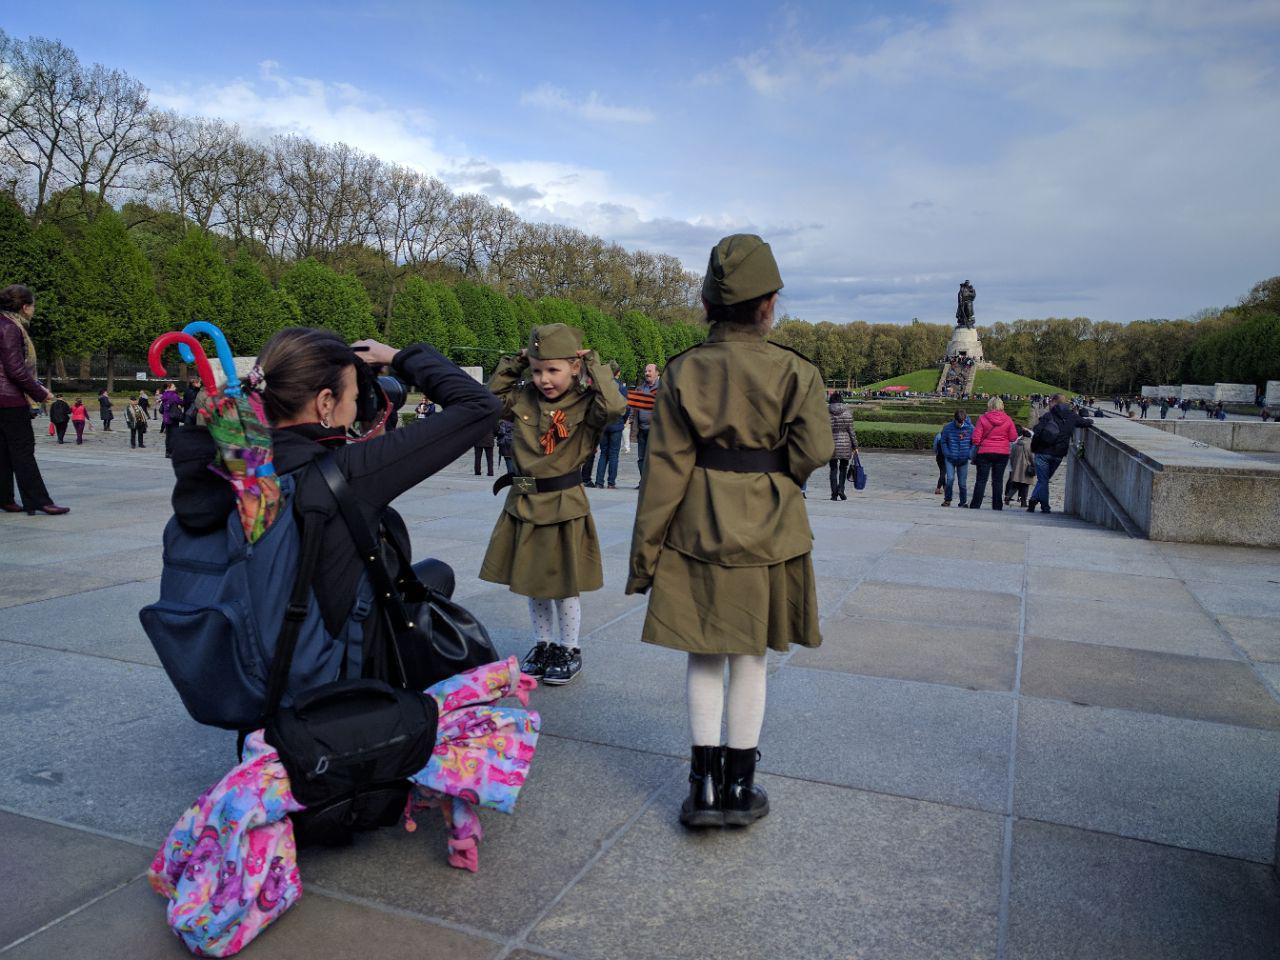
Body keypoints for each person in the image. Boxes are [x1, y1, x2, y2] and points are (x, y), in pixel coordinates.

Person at [627, 234, 832, 830]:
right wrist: (770, 476)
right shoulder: (798, 370)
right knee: (750, 656)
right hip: (771, 527)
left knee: (704, 653)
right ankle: (740, 787)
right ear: (769, 304)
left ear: (707, 304)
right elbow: (815, 449)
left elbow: (662, 471)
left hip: (696, 524)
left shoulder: (682, 370)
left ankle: (701, 789)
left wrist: (645, 557)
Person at [170, 327, 499, 691]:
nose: (358, 409)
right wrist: (395, 355)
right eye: (356, 397)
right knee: (436, 580)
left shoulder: (236, 462)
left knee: (433, 574)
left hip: (253, 653)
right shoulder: (346, 473)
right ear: (325, 402)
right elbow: (480, 406)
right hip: (336, 668)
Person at [480, 324, 626, 687]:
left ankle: (569, 648)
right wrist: (515, 364)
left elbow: (615, 407)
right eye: (538, 369)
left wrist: (592, 362)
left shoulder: (586, 403)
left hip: (564, 504)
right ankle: (543, 644)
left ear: (573, 368)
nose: (545, 379)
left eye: (553, 370)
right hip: (524, 500)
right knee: (532, 581)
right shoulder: (524, 398)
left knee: (564, 584)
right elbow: (487, 400)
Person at [0, 284, 69, 515]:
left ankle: (5, 498)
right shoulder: (11, 328)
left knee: (3, 451)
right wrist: (41, 392)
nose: (34, 310)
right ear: (24, 307)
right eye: (33, 306)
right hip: (9, 399)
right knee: (23, 451)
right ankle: (39, 500)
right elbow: (15, 370)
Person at [1028, 394, 1093, 514]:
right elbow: (1086, 423)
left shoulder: (1048, 415)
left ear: (1053, 402)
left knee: (1043, 480)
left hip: (1043, 452)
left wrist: (1036, 445)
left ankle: (1038, 502)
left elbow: (1036, 431)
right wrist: (1089, 420)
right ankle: (1039, 504)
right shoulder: (1072, 416)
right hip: (1058, 454)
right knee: (1044, 480)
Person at [969, 398, 1019, 510]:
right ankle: (997, 505)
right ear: (1002, 406)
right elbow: (1013, 437)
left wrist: (982, 442)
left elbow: (975, 439)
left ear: (989, 406)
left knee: (981, 480)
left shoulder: (982, 418)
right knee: (998, 480)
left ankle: (975, 504)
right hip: (1002, 453)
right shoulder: (1008, 419)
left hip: (985, 452)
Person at [594, 360, 629, 489]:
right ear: (618, 373)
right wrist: (624, 420)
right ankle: (611, 483)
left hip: (603, 424)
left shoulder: (602, 386)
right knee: (614, 454)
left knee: (603, 453)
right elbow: (626, 407)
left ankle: (598, 482)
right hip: (617, 423)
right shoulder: (622, 387)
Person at [630, 362, 660, 483]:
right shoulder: (640, 388)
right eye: (646, 371)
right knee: (641, 458)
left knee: (654, 458)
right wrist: (631, 420)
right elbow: (634, 407)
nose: (646, 373)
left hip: (656, 430)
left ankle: (652, 483)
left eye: (649, 371)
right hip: (641, 429)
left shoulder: (663, 388)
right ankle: (644, 481)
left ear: (657, 373)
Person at [938, 409, 974, 507]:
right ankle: (948, 499)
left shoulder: (970, 428)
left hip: (963, 458)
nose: (960, 424)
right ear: (955, 420)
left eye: (961, 422)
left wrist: (969, 454)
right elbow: (943, 441)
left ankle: (963, 501)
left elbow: (974, 443)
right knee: (950, 479)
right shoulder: (948, 427)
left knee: (962, 483)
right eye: (958, 422)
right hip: (950, 458)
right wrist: (947, 453)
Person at [827, 390, 857, 500]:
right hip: (845, 444)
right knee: (843, 468)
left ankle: (834, 493)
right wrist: (855, 446)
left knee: (833, 469)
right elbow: (851, 432)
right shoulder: (847, 413)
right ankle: (841, 489)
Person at [1004, 428, 1035, 507]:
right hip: (1026, 467)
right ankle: (1023, 502)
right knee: (1025, 485)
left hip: (1016, 467)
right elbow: (1031, 456)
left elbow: (1011, 456)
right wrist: (1034, 465)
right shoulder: (1030, 444)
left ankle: (1008, 497)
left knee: (1016, 484)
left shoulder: (1016, 443)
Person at [932, 429, 946, 495]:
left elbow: (935, 446)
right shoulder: (949, 436)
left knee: (942, 472)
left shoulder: (938, 435)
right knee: (943, 473)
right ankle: (938, 488)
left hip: (939, 456)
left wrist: (936, 453)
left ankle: (945, 488)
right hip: (946, 457)